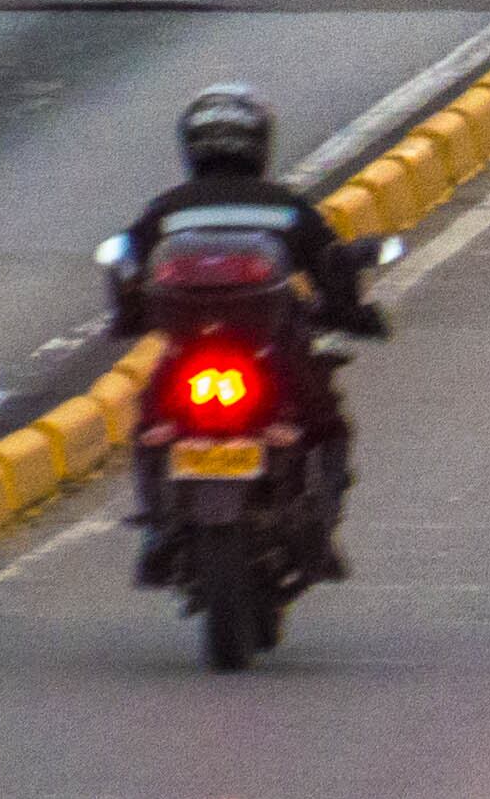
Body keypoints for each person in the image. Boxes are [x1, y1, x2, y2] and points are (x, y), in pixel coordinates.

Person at [119, 84, 386, 577]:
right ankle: (320, 532)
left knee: (150, 426)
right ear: (260, 143)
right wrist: (352, 312)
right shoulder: (284, 207)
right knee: (327, 426)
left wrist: (127, 316)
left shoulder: (167, 209)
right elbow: (331, 266)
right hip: (270, 353)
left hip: (189, 351)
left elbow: (127, 266)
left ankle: (158, 528)